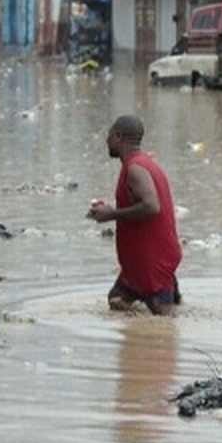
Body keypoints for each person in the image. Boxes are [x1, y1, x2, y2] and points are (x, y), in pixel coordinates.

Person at [87, 115, 182, 315]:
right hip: (138, 264)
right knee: (116, 300)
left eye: (109, 135)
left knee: (164, 326)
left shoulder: (135, 169)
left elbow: (151, 206)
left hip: (151, 261)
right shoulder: (143, 164)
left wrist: (111, 214)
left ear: (119, 136)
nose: (106, 140)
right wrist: (111, 211)